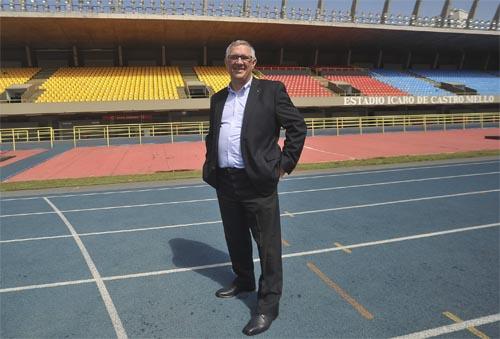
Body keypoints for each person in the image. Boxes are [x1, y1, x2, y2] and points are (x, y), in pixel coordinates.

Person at [202, 40, 307, 336]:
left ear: (253, 63)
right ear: (226, 62)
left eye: (244, 57)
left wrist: (284, 164)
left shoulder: (271, 91)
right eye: (233, 57)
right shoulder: (218, 98)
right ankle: (244, 280)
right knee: (235, 238)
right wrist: (212, 159)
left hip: (258, 181)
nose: (238, 61)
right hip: (225, 180)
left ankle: (268, 305)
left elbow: (297, 127)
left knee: (268, 246)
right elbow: (214, 134)